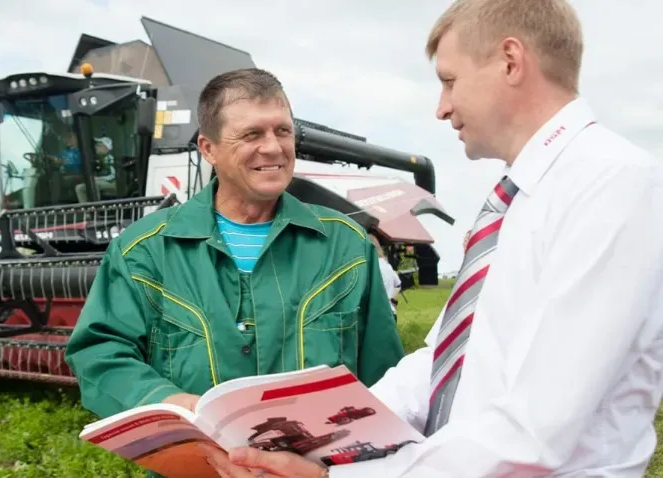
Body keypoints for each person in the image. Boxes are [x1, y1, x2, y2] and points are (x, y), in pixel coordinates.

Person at [199, 0, 663, 476]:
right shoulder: (523, 196)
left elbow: (533, 430)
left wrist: (335, 474)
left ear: (510, 61)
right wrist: (315, 438)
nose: (441, 108)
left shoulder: (612, 184)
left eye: (449, 80)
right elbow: (441, 361)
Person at [64, 67, 405, 463]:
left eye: (283, 131)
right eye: (252, 134)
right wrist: (167, 401)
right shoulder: (142, 251)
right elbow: (100, 354)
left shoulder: (345, 245)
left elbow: (385, 375)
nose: (274, 147)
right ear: (208, 149)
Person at [368, 233, 401, 320]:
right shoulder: (387, 265)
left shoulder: (371, 266)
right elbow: (398, 284)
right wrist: (390, 298)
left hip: (377, 316)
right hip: (390, 312)